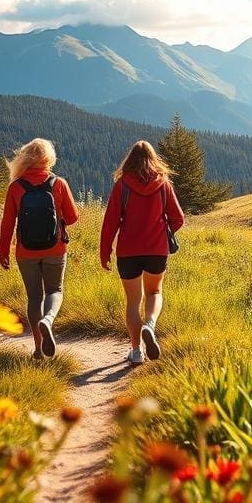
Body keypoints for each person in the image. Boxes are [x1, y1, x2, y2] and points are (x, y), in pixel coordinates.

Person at [100, 141, 185, 365]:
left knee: (132, 301)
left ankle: (136, 351)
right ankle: (150, 325)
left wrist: (104, 251)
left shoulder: (122, 185)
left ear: (130, 160)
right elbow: (178, 219)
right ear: (153, 159)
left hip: (128, 251)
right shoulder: (164, 184)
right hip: (157, 250)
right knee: (154, 292)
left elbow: (110, 222)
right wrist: (161, 232)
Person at [0, 138, 79, 359]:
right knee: (54, 291)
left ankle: (38, 348)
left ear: (26, 158)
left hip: (26, 251)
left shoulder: (16, 187)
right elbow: (72, 218)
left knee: (34, 297)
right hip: (55, 249)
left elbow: (7, 223)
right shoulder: (58, 183)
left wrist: (3, 251)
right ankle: (48, 320)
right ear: (48, 158)